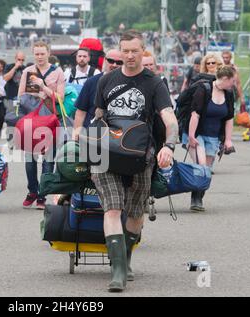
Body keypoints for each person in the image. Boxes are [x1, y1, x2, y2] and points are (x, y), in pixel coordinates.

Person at [92, 31, 178, 292]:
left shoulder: (154, 83)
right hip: (106, 154)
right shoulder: (106, 81)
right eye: (125, 51)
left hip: (141, 155)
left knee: (137, 213)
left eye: (135, 51)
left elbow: (169, 118)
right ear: (119, 51)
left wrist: (170, 146)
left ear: (144, 52)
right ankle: (117, 271)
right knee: (113, 209)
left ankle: (125, 258)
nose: (129, 56)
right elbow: (98, 116)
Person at [18, 41, 65, 209]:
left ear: (48, 53)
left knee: (49, 158)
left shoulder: (58, 71)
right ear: (33, 54)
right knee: (30, 158)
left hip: (50, 118)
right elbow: (21, 96)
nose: (39, 57)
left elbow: (60, 97)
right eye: (36, 54)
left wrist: (43, 87)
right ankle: (32, 190)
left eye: (42, 53)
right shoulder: (27, 71)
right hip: (32, 118)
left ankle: (42, 194)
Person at [185, 66, 236, 212]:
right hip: (196, 132)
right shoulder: (204, 90)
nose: (233, 83)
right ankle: (195, 199)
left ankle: (199, 197)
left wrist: (228, 140)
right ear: (225, 79)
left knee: (207, 170)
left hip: (214, 137)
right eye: (232, 80)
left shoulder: (229, 94)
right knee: (201, 165)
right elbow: (195, 115)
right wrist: (191, 137)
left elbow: (229, 118)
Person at [73, 49, 123, 134]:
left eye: (119, 62)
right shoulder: (91, 82)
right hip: (93, 134)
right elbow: (80, 112)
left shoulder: (129, 83)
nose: (114, 65)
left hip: (118, 136)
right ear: (105, 60)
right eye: (110, 61)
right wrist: (76, 138)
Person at [4, 52, 26, 147]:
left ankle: (20, 141)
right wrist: (15, 67)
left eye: (22, 60)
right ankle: (11, 141)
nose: (20, 62)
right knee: (11, 120)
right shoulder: (9, 66)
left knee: (22, 120)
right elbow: (5, 78)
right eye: (19, 59)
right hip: (10, 97)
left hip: (22, 98)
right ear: (15, 58)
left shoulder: (25, 69)